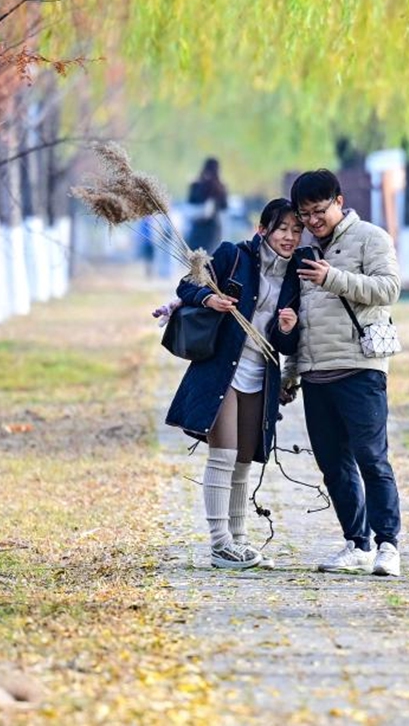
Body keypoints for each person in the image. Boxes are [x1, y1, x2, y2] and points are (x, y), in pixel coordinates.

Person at [165, 199, 303, 570]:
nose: (289, 237)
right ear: (263, 230)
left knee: (244, 460)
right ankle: (219, 543)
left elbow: (287, 344)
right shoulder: (234, 256)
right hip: (222, 372)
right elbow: (186, 285)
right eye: (281, 229)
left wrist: (289, 329)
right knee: (223, 455)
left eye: (295, 229)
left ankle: (239, 541)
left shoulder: (296, 275)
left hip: (262, 375)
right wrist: (209, 298)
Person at [282, 169, 402, 578]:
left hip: (360, 367)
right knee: (333, 464)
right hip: (316, 373)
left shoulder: (371, 237)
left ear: (338, 200)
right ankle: (357, 544)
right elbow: (302, 319)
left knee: (372, 458)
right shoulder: (304, 251)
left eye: (319, 211)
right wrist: (291, 372)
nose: (313, 221)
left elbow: (388, 289)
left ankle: (389, 546)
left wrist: (331, 277)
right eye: (305, 215)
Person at [185, 157, 228, 254]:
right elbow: (224, 207)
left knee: (196, 258)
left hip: (198, 226)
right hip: (213, 228)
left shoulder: (196, 185)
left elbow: (190, 203)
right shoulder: (221, 187)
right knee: (210, 257)